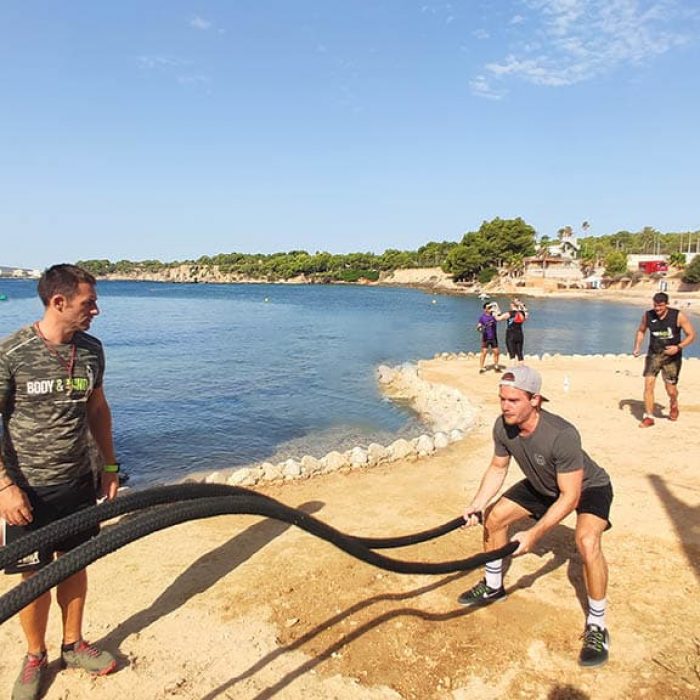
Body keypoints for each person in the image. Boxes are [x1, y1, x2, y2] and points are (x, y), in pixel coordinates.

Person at [0, 264, 120, 700]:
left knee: (74, 563)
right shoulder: (11, 353)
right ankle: (35, 656)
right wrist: (2, 487)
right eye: (89, 303)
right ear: (59, 302)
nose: (96, 311)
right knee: (33, 575)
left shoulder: (91, 350)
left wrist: (108, 466)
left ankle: (73, 645)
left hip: (78, 482)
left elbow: (98, 408)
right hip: (25, 491)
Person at [458, 366, 613, 668]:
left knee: (586, 541)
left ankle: (597, 625)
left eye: (513, 400)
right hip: (544, 483)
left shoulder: (562, 435)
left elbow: (569, 496)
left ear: (535, 400)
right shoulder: (503, 427)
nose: (505, 406)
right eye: (502, 398)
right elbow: (498, 468)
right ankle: (493, 586)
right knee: (494, 516)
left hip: (587, 486)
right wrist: (477, 503)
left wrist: (534, 534)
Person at [632, 291, 696, 428]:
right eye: (655, 306)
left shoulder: (678, 316)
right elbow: (641, 330)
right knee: (648, 384)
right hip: (654, 355)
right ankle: (649, 417)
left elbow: (691, 335)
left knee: (671, 389)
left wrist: (678, 347)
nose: (658, 309)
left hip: (672, 357)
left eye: (660, 306)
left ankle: (673, 403)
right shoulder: (648, 315)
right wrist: (637, 346)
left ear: (666, 304)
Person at [496, 298, 529, 364]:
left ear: (512, 305)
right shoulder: (523, 313)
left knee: (512, 355)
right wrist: (523, 306)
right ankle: (521, 371)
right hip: (520, 335)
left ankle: (513, 371)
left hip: (511, 336)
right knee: (520, 354)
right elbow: (526, 315)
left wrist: (495, 313)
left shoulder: (509, 313)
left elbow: (498, 319)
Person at [477, 303, 502, 374]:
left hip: (494, 337)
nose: (491, 309)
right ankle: (481, 368)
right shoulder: (482, 317)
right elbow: (478, 327)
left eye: (491, 307)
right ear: (485, 309)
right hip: (486, 337)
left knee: (496, 352)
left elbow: (499, 314)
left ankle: (496, 366)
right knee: (484, 352)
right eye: (489, 307)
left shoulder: (494, 316)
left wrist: (496, 306)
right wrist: (483, 328)